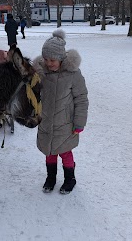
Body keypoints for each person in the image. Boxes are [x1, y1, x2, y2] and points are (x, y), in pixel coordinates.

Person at [32, 29, 89, 194]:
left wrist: (79, 123)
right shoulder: (41, 73)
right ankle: (51, 177)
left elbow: (81, 98)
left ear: (61, 58)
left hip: (65, 124)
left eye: (53, 60)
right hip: (46, 121)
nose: (49, 63)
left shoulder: (73, 74)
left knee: (65, 152)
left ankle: (70, 179)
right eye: (46, 59)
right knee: (49, 152)